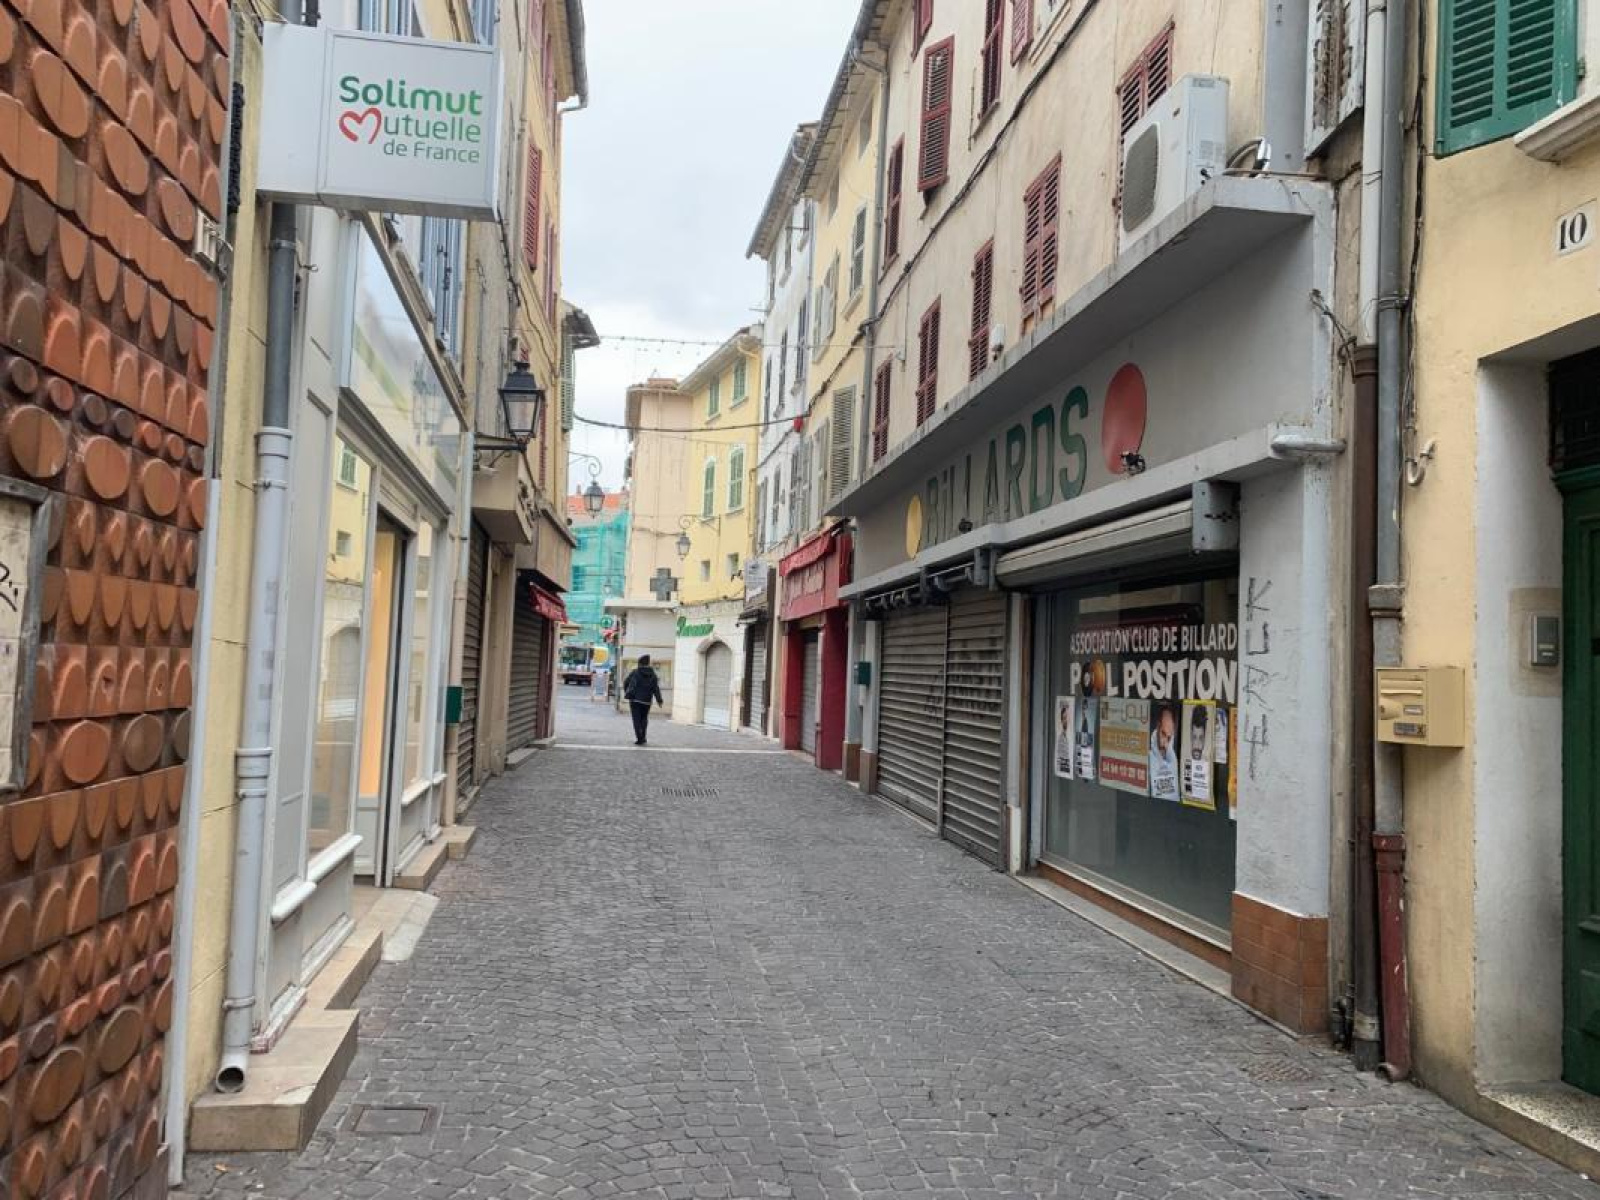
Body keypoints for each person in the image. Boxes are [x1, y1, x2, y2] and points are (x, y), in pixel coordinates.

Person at [622, 655, 664, 745]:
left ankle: (639, 738)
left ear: (640, 663)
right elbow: (656, 688)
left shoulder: (635, 672)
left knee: (636, 719)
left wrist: (627, 692)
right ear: (648, 663)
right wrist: (659, 700)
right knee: (644, 718)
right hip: (647, 701)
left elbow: (626, 682)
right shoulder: (653, 674)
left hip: (635, 700)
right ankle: (643, 737)